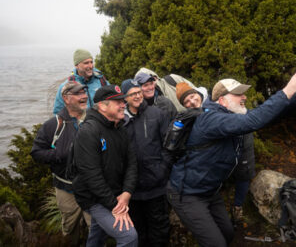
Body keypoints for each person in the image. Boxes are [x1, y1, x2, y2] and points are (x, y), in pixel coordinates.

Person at [167, 68, 296, 246]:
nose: (244, 97)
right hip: (187, 194)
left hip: (209, 191)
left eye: (243, 93)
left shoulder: (229, 115)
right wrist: (289, 88)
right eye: (238, 94)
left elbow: (265, 115)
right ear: (222, 100)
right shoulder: (211, 119)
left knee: (229, 234)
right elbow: (254, 120)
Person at [176, 81, 254, 223]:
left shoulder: (217, 105)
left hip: (242, 141)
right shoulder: (190, 116)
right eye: (186, 102)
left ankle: (237, 207)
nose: (192, 102)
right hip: (212, 170)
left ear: (198, 93)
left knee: (244, 172)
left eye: (193, 96)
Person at [72, 85, 138, 247]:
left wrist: (127, 193)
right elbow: (91, 175)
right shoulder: (89, 131)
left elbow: (132, 162)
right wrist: (115, 206)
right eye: (117, 102)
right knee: (128, 236)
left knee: (97, 235)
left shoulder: (119, 128)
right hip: (93, 197)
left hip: (114, 193)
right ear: (102, 106)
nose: (123, 104)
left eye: (123, 101)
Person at [31, 81, 91, 245]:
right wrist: (60, 154)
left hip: (92, 187)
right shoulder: (53, 125)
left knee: (96, 228)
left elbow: (106, 145)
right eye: (78, 93)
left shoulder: (95, 120)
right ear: (66, 98)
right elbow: (36, 152)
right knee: (69, 228)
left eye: (84, 92)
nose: (84, 96)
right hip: (66, 188)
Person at [121, 79, 172, 247]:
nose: (137, 96)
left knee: (160, 231)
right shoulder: (119, 120)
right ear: (124, 98)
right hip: (131, 191)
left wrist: (162, 169)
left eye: (139, 92)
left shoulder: (157, 114)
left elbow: (169, 145)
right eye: (133, 93)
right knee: (138, 232)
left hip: (155, 186)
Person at [53, 49, 109, 115]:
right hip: (79, 125)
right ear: (76, 65)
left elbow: (112, 103)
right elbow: (58, 113)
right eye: (86, 63)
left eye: (91, 62)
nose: (90, 66)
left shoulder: (102, 81)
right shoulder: (66, 86)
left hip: (101, 124)